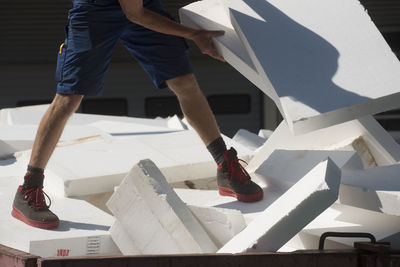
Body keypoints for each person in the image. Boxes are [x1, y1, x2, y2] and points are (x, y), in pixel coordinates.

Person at [11, 0, 263, 229]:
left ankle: (224, 167)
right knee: (68, 99)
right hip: (97, 12)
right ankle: (29, 188)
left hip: (143, 7)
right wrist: (195, 34)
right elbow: (136, 15)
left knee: (185, 83)